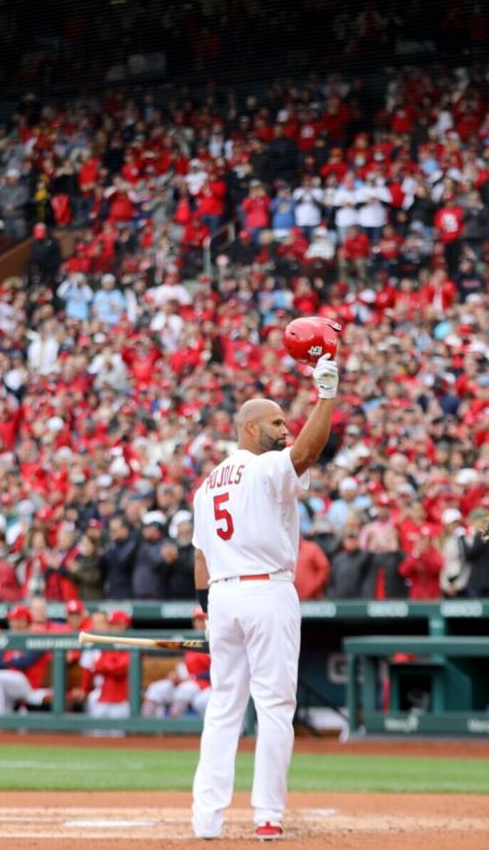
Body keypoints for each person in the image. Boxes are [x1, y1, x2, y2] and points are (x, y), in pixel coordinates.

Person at [189, 353, 340, 841]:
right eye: (276, 421)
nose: (285, 427)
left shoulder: (206, 485)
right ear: (251, 429)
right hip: (267, 590)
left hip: (224, 596)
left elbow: (200, 558)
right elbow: (308, 453)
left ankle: (206, 819)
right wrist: (327, 396)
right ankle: (267, 815)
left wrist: (209, 614)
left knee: (223, 709)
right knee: (275, 706)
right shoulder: (265, 467)